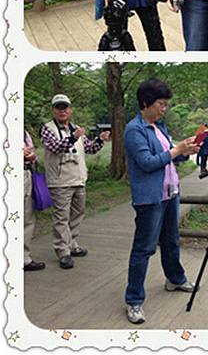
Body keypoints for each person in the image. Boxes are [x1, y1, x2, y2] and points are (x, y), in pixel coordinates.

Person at [123, 78, 198, 324]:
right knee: (144, 249)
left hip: (171, 192)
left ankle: (175, 279)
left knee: (170, 241)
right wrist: (175, 151)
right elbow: (146, 163)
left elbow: (168, 158)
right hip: (150, 198)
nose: (164, 108)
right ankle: (134, 300)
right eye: (161, 104)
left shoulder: (159, 127)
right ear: (146, 103)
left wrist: (184, 151)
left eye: (166, 104)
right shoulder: (134, 129)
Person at [39, 94, 110, 269]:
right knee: (61, 217)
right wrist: (72, 137)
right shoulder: (47, 129)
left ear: (70, 110)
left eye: (65, 107)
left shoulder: (76, 128)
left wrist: (100, 140)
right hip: (59, 180)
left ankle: (72, 244)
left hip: (78, 179)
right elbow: (55, 147)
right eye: (58, 107)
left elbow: (89, 148)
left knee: (77, 214)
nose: (62, 111)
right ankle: (62, 251)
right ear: (53, 110)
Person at [24, 130, 45, 272]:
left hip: (25, 173)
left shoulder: (22, 132)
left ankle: (24, 258)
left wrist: (31, 155)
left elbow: (33, 154)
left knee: (27, 218)